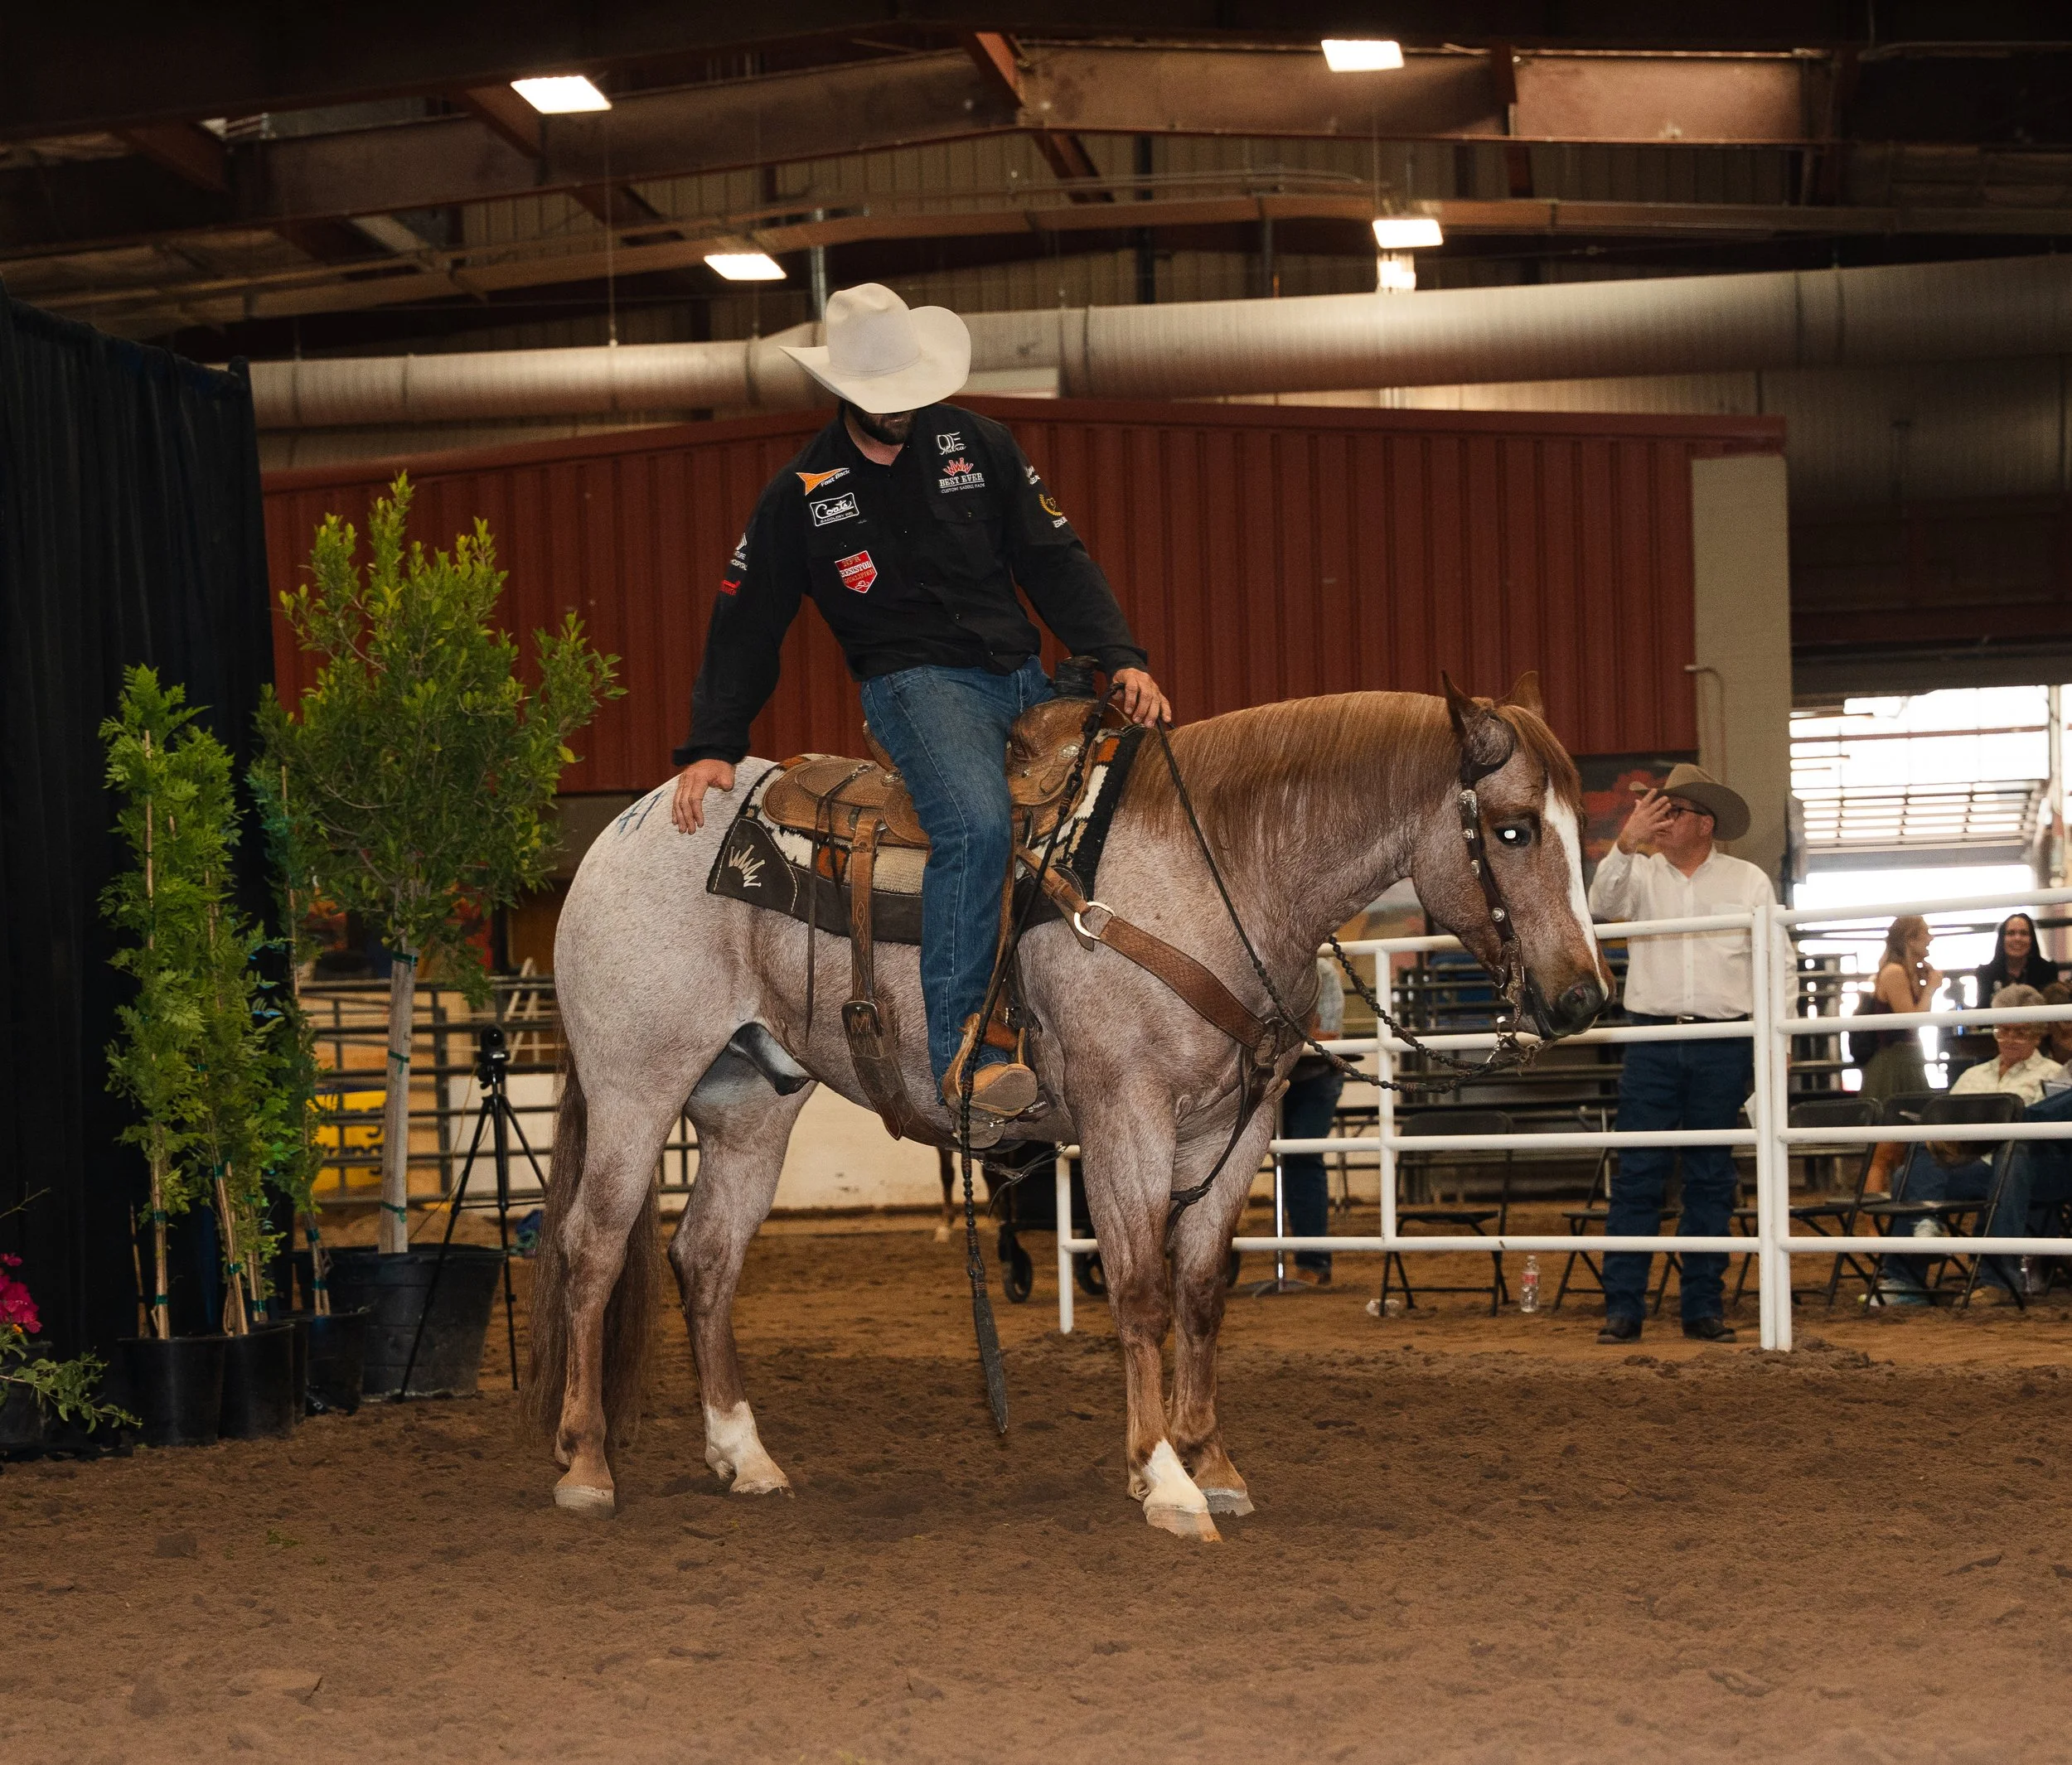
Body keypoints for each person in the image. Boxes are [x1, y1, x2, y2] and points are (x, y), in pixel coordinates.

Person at [670, 283, 1170, 1137]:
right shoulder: (801, 493)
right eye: (886, 399)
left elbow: (1053, 556)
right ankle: (966, 1056)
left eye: (912, 393)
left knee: (1139, 800)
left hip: (1023, 677)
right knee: (975, 827)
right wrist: (714, 742)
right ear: (847, 392)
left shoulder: (978, 443)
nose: (904, 411)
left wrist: (1120, 655)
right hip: (914, 687)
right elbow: (747, 615)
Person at [1585, 763, 1775, 1345]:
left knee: (1710, 1178)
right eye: (1658, 811)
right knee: (1640, 1173)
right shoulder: (1639, 874)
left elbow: (1776, 963)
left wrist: (1778, 1039)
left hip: (1724, 1039)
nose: (1661, 820)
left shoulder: (1749, 882)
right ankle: (1624, 1307)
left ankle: (1702, 1307)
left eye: (1673, 811)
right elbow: (1599, 903)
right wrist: (1625, 840)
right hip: (1652, 1037)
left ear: (1705, 823)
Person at [1873, 984, 2065, 1305]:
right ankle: (1915, 1257)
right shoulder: (1973, 1075)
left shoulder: (2053, 1076)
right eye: (2003, 1030)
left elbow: (2051, 1142)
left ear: (2038, 1035)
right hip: (1973, 1165)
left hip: (2021, 1170)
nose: (2009, 1039)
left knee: (2012, 1151)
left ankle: (1994, 1277)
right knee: (1913, 1162)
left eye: (2020, 1032)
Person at [1853, 916, 1941, 1195]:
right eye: (1925, 933)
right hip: (1894, 1064)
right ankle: (1872, 1227)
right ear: (1910, 939)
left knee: (1905, 1148)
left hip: (1907, 1061)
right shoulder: (1894, 972)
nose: (1930, 938)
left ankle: (1894, 1219)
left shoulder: (1907, 971)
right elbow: (1911, 1020)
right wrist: (1931, 989)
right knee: (1884, 1149)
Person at [1278, 957, 1348, 1284]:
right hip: (1276, 1077)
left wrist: (1279, 1035)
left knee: (1303, 1158)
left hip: (1314, 1076)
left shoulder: (1322, 971)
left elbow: (1328, 1035)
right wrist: (1300, 1031)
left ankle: (1313, 1261)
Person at [1975, 912, 2058, 1004]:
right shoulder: (1986, 973)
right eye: (2011, 933)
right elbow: (1982, 1011)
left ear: (2032, 939)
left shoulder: (2048, 970)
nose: (2017, 938)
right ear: (2002, 939)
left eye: (2024, 933)